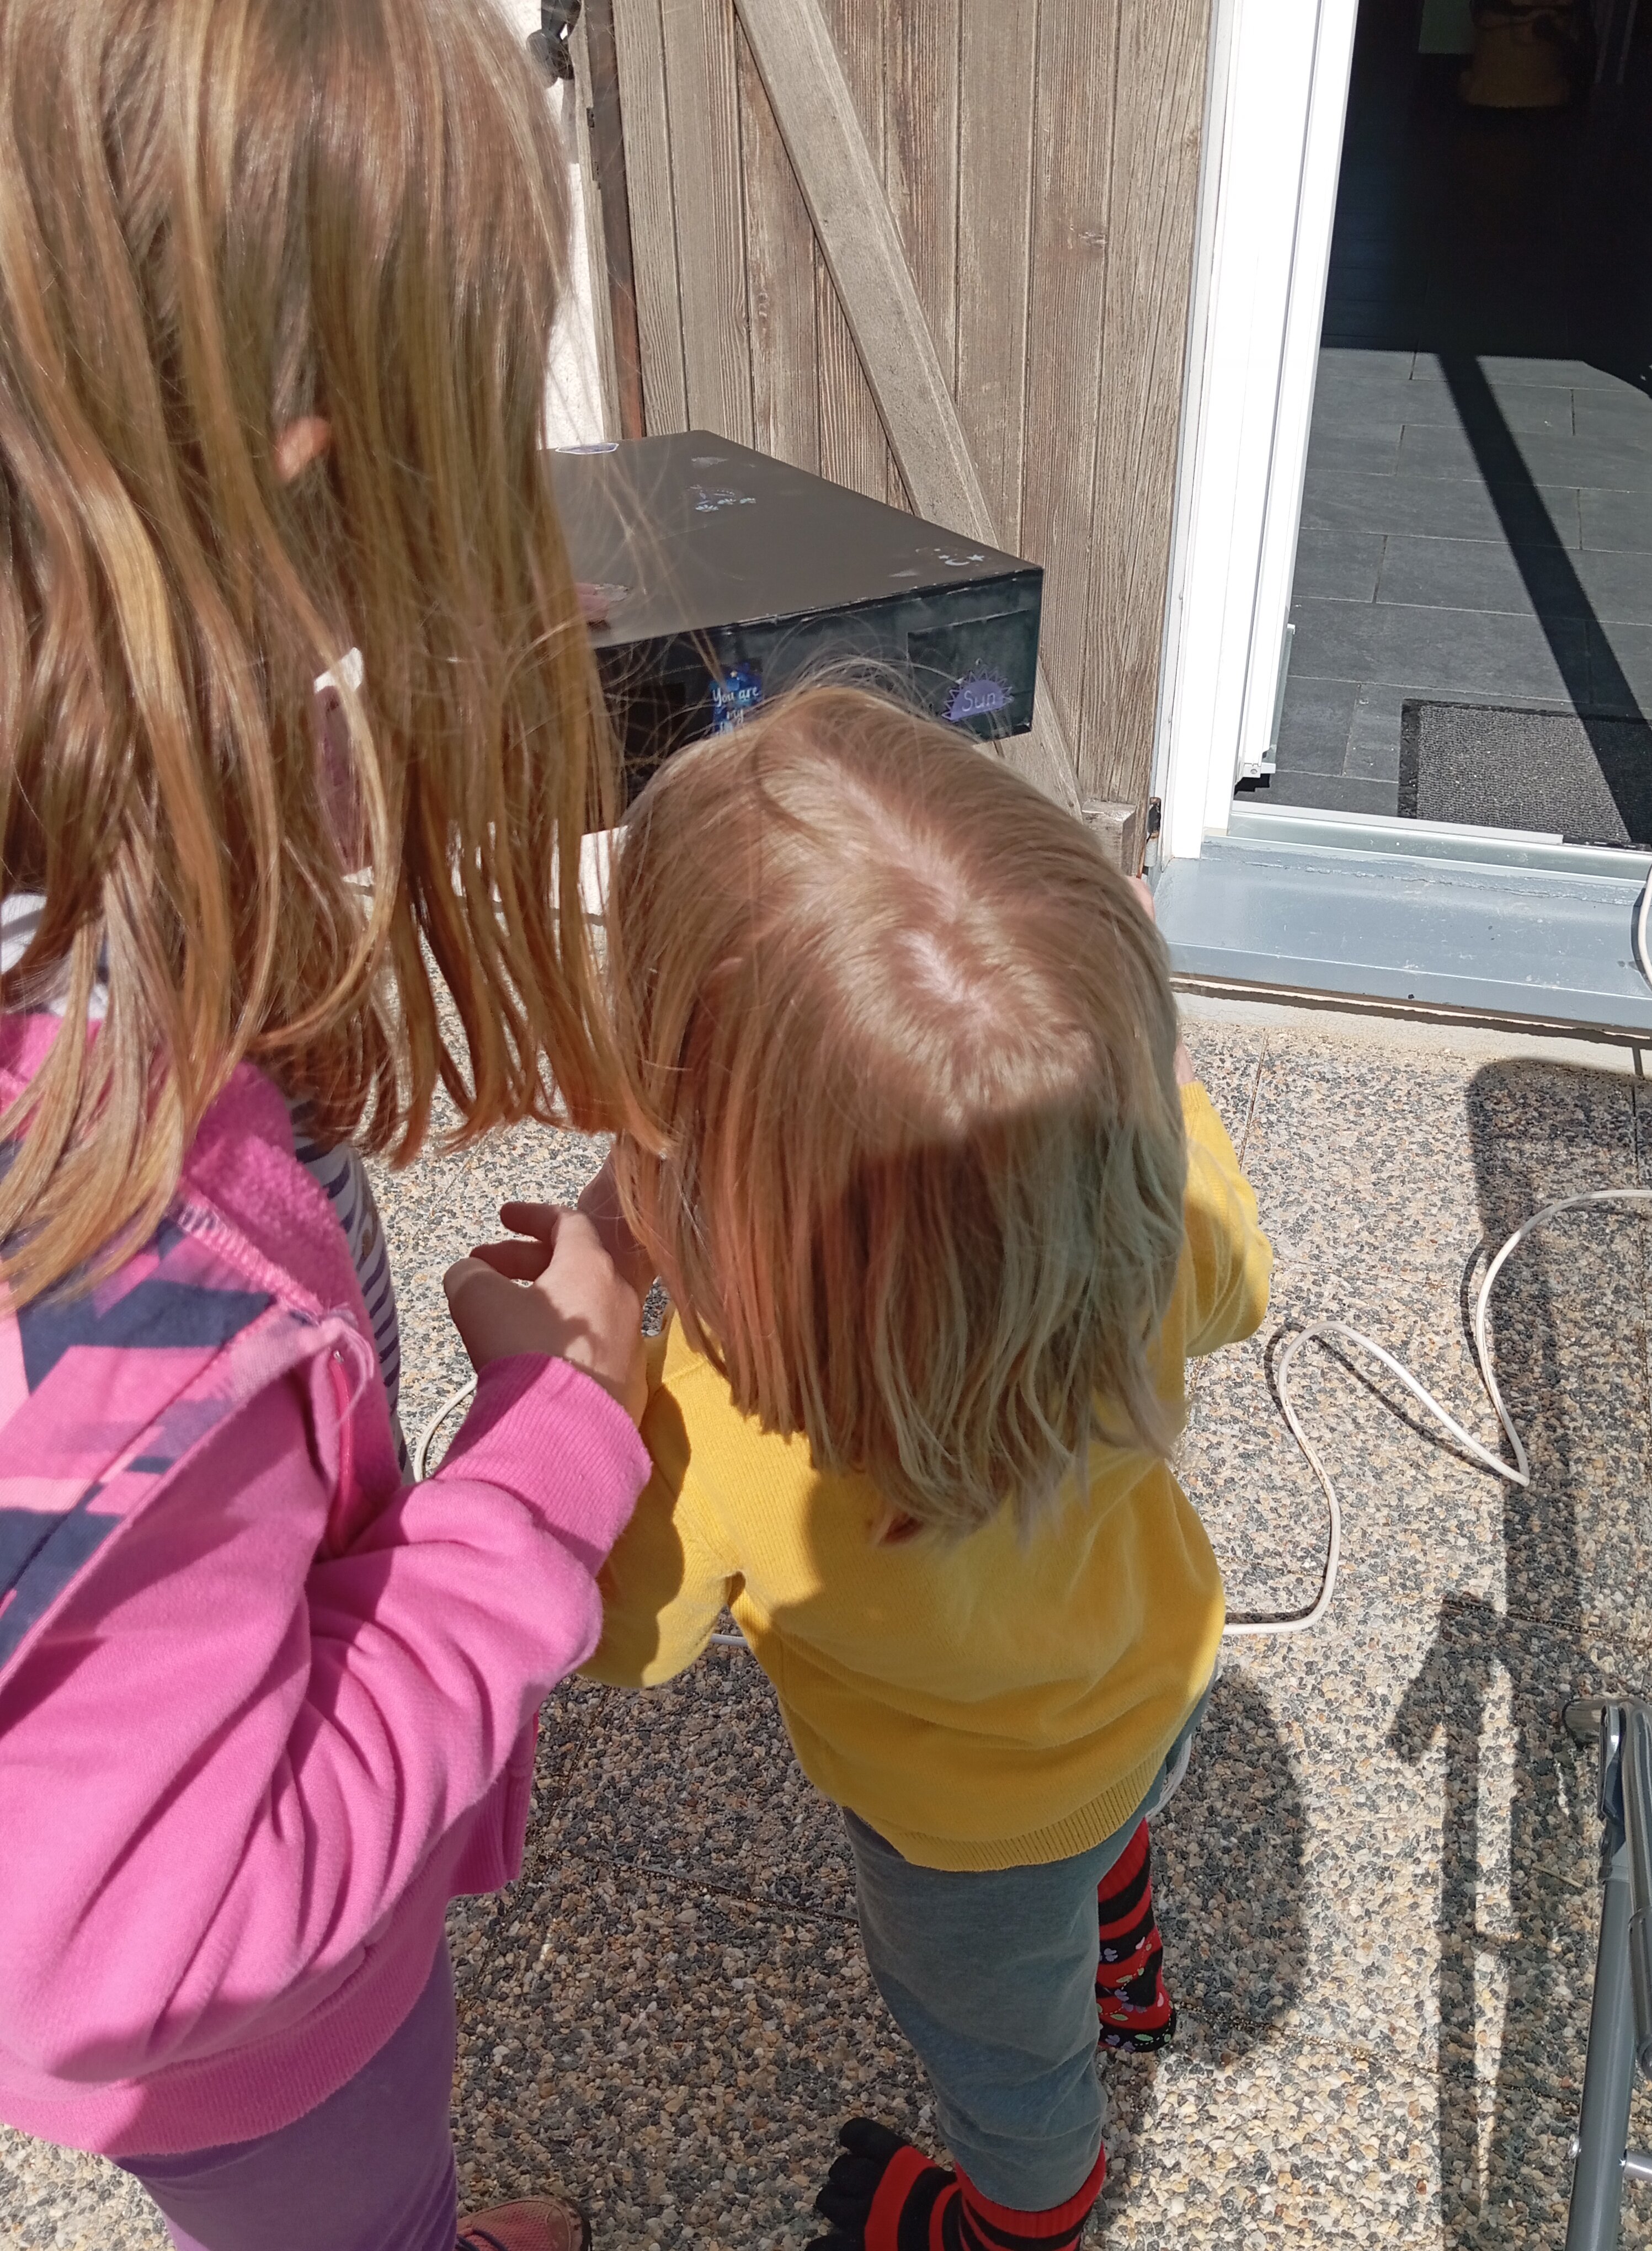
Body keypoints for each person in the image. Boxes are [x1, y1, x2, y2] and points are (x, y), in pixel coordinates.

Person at [0, 3, 652, 2248]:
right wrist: (552, 1451)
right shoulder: (122, 1286)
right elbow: (181, 1936)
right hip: (265, 2067)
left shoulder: (76, 843)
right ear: (310, 471)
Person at [575, 685, 1273, 2251]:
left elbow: (624, 1643)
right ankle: (1125, 1949)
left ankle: (1022, 2220)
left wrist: (593, 1371)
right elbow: (1243, 1276)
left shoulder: (717, 1420)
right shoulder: (1157, 1233)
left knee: (1005, 2058)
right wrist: (1134, 1097)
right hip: (1151, 1698)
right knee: (1105, 1838)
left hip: (956, 1842)